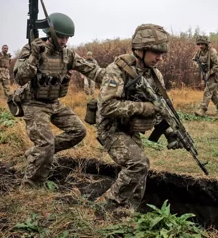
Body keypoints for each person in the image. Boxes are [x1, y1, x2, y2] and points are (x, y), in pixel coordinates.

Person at [14, 12, 106, 187]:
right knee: (46, 143)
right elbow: (20, 78)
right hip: (33, 103)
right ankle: (31, 186)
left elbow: (92, 70)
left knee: (78, 131)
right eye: (61, 37)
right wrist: (34, 55)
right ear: (51, 34)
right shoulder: (32, 49)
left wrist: (115, 77)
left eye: (67, 38)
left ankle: (38, 153)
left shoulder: (68, 54)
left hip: (54, 103)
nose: (64, 41)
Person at [96, 24, 179, 210]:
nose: (160, 58)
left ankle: (126, 214)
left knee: (140, 173)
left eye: (162, 53)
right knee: (137, 164)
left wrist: (168, 131)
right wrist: (143, 107)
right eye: (155, 52)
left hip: (130, 129)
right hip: (111, 128)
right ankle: (105, 206)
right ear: (139, 49)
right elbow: (107, 107)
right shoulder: (116, 70)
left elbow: (158, 109)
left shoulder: (155, 75)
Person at [192, 35, 218, 116]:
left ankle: (202, 109)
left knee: (207, 91)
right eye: (199, 44)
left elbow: (216, 65)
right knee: (213, 93)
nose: (200, 46)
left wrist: (209, 73)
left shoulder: (212, 52)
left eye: (202, 44)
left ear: (206, 44)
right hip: (205, 74)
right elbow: (194, 60)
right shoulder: (199, 52)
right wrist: (197, 65)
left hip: (214, 75)